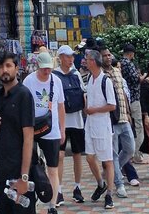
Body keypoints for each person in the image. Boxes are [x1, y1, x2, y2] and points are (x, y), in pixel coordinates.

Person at [0, 52, 35, 214]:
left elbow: (29, 138)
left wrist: (24, 177)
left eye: (8, 66)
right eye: (1, 67)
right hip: (2, 170)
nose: (4, 70)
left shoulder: (23, 95)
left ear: (16, 68)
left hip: (20, 170)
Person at [23, 51, 66, 213]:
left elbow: (61, 107)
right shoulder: (29, 81)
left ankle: (52, 205)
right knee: (31, 166)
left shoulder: (56, 81)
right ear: (37, 67)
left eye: (49, 68)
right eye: (43, 68)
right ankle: (33, 199)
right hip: (32, 129)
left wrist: (62, 129)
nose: (47, 71)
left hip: (51, 129)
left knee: (53, 168)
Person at [54, 45, 87, 204]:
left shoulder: (76, 74)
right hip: (60, 121)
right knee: (59, 155)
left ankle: (77, 188)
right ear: (60, 57)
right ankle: (58, 190)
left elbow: (83, 95)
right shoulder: (54, 75)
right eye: (67, 56)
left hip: (77, 120)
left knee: (77, 154)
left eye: (72, 56)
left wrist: (87, 113)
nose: (71, 59)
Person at [83, 49, 116, 208]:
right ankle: (100, 183)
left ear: (94, 62)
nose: (85, 61)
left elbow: (112, 105)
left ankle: (109, 193)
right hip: (90, 124)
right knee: (89, 157)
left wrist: (94, 110)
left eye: (88, 59)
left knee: (107, 160)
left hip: (102, 125)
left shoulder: (105, 81)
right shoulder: (90, 78)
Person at [98, 47, 133, 197]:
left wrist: (128, 112)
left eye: (109, 55)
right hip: (110, 119)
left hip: (124, 117)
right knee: (113, 154)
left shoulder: (117, 71)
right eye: (105, 55)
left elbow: (122, 93)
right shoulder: (99, 75)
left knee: (130, 149)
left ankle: (111, 170)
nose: (108, 57)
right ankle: (119, 184)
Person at [119, 43, 143, 159]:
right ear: (131, 54)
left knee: (128, 127)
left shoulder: (120, 63)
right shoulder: (129, 64)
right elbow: (136, 79)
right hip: (134, 98)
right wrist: (143, 76)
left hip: (125, 101)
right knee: (138, 127)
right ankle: (135, 153)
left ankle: (129, 153)